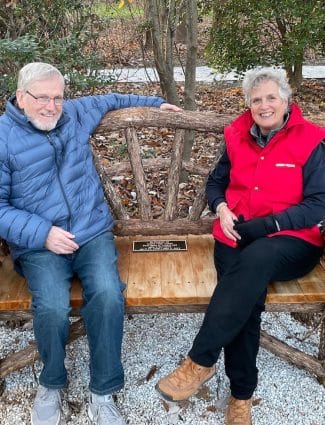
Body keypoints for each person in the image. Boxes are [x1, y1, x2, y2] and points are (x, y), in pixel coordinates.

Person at [0, 62, 181, 425]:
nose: (52, 107)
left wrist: (156, 103)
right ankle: (51, 382)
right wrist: (42, 234)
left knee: (107, 292)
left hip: (91, 231)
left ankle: (103, 390)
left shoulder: (75, 115)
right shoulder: (3, 138)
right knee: (51, 304)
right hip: (39, 244)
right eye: (43, 99)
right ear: (21, 98)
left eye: (58, 98)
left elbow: (112, 99)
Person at [156, 67, 325, 425]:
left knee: (257, 258)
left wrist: (268, 225)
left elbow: (318, 204)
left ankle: (200, 361)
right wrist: (221, 209)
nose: (264, 105)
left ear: (286, 100)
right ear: (248, 103)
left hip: (292, 241)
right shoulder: (236, 135)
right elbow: (216, 184)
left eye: (270, 98)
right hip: (235, 234)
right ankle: (241, 397)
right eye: (256, 99)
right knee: (245, 302)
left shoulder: (312, 140)